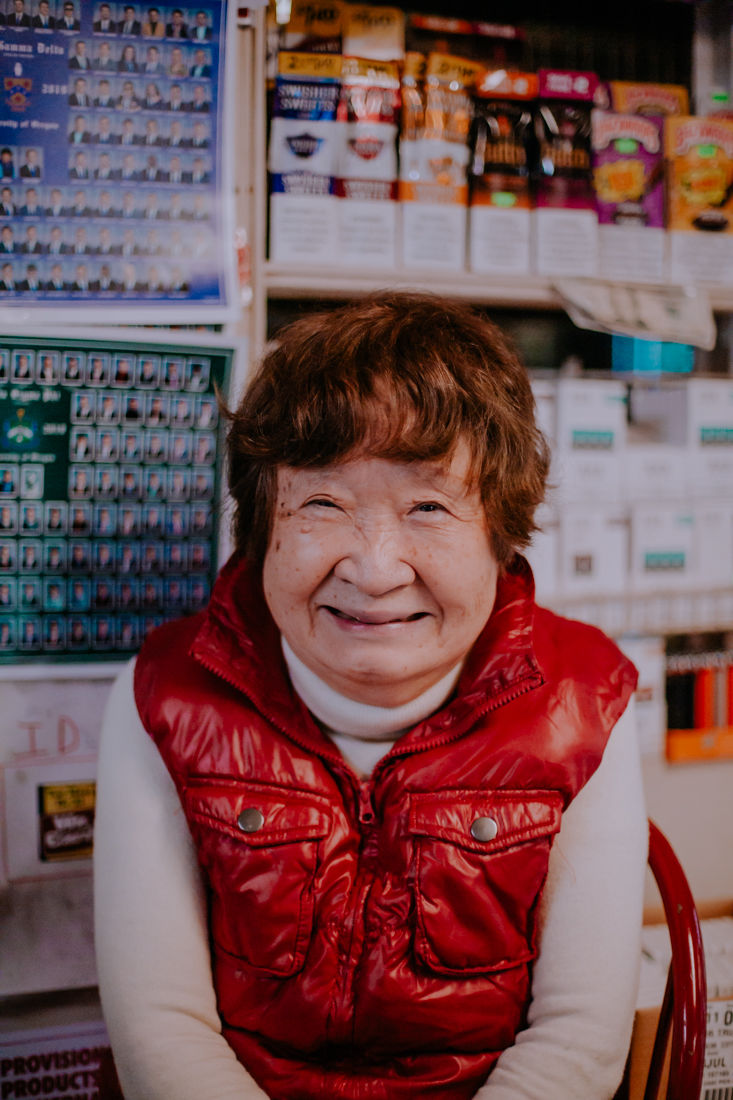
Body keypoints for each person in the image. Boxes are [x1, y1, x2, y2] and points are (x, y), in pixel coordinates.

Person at [94, 293, 647, 1100]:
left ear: (500, 530)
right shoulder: (165, 694)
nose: (375, 569)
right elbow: (160, 1027)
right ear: (260, 529)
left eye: (428, 506)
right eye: (322, 503)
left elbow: (578, 1042)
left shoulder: (584, 701)